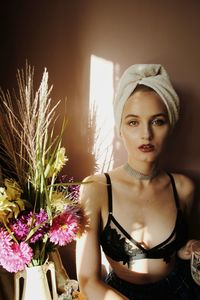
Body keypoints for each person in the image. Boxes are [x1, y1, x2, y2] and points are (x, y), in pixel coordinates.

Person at [76, 64, 200, 299]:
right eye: (133, 122)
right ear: (120, 129)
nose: (146, 134)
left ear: (170, 126)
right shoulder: (96, 189)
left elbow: (178, 250)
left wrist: (188, 249)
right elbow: (87, 281)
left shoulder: (184, 188)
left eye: (158, 121)